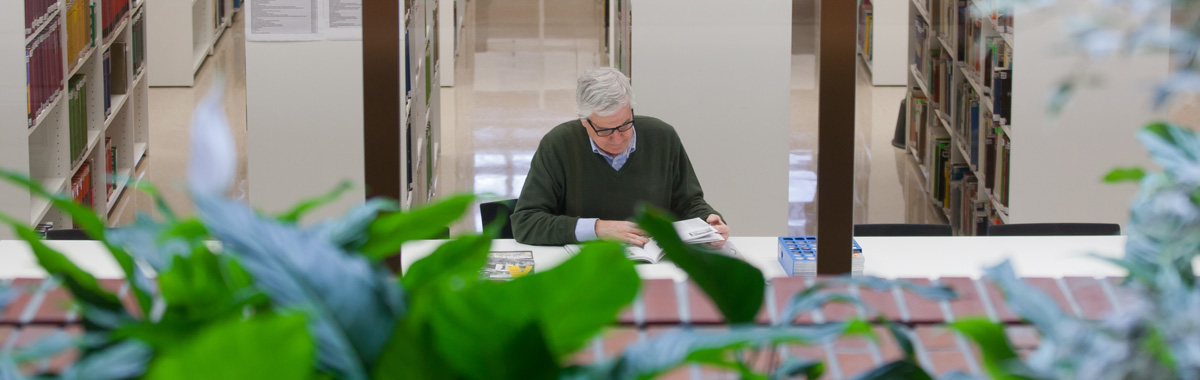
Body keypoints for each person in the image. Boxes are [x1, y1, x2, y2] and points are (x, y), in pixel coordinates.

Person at [511, 67, 730, 247]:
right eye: (605, 130)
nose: (617, 139)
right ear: (583, 121)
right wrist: (597, 228)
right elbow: (526, 222)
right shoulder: (559, 145)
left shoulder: (662, 137)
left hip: (657, 266)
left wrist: (709, 221)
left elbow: (688, 202)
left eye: (625, 125)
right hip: (587, 270)